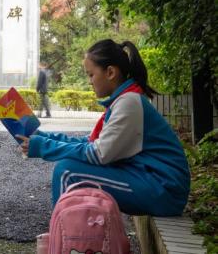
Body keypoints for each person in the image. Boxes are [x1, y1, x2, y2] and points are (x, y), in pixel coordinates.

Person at [17, 39, 190, 217]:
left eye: (91, 75)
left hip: (164, 190)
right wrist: (44, 137)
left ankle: (63, 241)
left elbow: (98, 153)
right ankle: (73, 238)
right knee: (69, 167)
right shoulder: (125, 99)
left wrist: (43, 146)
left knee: (67, 171)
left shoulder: (129, 103)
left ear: (110, 72)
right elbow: (91, 143)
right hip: (150, 180)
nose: (89, 82)